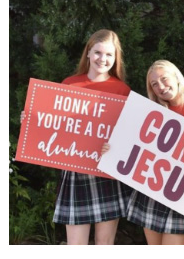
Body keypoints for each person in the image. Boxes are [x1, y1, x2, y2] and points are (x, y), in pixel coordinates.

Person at [102, 60, 184, 245]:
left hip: (180, 193)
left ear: (176, 78)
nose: (160, 86)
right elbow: (132, 147)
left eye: (164, 79)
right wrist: (112, 150)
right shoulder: (152, 112)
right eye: (154, 84)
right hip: (151, 192)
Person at [52, 29, 131, 245]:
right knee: (75, 246)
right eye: (97, 52)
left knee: (104, 245)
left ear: (116, 59)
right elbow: (54, 125)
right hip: (76, 169)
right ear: (88, 53)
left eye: (109, 55)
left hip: (107, 170)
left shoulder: (122, 90)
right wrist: (32, 117)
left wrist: (115, 145)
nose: (102, 59)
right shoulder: (69, 84)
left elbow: (130, 136)